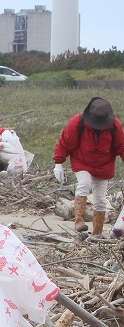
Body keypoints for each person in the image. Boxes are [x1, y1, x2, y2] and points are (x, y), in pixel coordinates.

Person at [53, 97, 124, 234]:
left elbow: (122, 146)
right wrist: (58, 163)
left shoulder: (115, 126)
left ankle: (97, 233)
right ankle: (79, 221)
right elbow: (65, 142)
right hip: (82, 161)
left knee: (100, 200)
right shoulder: (77, 122)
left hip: (104, 165)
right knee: (84, 184)